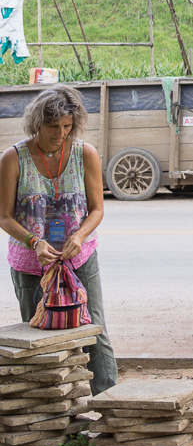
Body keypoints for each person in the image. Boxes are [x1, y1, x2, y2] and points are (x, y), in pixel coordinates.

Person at [0, 86, 116, 394]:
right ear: (36, 123)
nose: (60, 133)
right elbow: (4, 217)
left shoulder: (84, 153)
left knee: (94, 330)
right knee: (38, 338)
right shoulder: (13, 158)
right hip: (31, 264)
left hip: (79, 257)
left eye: (67, 126)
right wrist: (34, 242)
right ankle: (53, 411)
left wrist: (78, 235)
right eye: (53, 127)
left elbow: (96, 210)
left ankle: (107, 402)